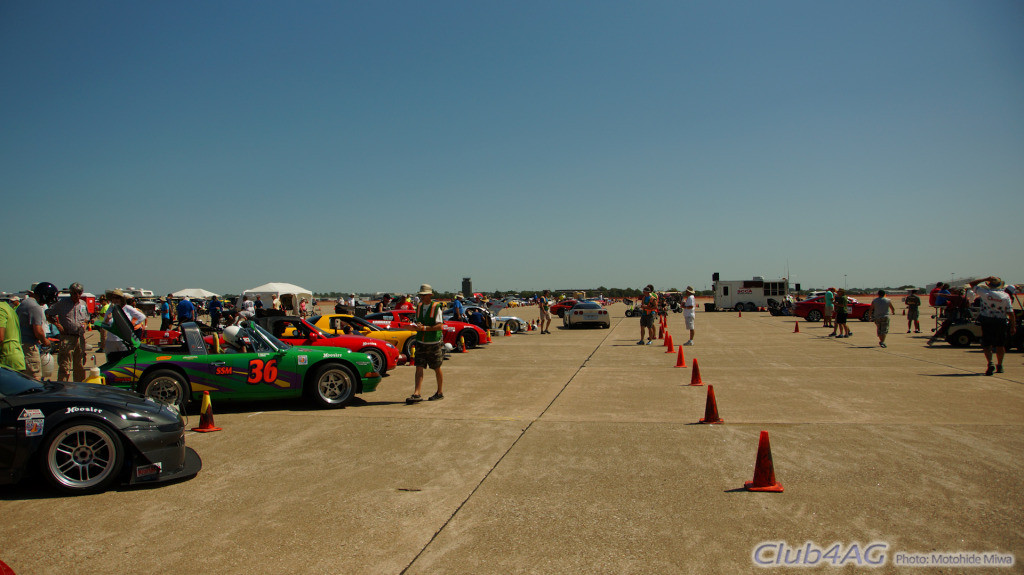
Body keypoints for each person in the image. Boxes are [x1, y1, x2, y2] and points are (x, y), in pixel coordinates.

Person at [968, 276, 1015, 375]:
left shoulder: (985, 293)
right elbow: (1010, 313)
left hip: (987, 320)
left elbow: (972, 284)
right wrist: (1013, 326)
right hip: (1001, 321)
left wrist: (984, 278)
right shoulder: (1006, 296)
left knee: (987, 344)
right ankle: (1000, 364)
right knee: (1000, 344)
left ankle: (990, 362)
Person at [407, 284, 445, 403]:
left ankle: (439, 392)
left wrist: (424, 328)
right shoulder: (419, 307)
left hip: (433, 342)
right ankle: (416, 393)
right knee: (419, 367)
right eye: (421, 295)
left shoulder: (436, 307)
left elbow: (440, 325)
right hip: (421, 341)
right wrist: (417, 326)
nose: (422, 297)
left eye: (424, 295)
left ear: (429, 295)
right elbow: (419, 321)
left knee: (436, 367)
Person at [46, 282, 90, 382]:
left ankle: (80, 387)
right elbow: (48, 313)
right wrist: (57, 325)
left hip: (80, 338)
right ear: (70, 293)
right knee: (64, 366)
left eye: (79, 293)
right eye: (74, 293)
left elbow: (86, 318)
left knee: (80, 365)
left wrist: (85, 325)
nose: (77, 295)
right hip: (67, 337)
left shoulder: (83, 304)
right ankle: (63, 387)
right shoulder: (62, 303)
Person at [17, 282, 58, 379]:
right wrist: (45, 341)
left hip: (21, 344)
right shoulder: (35, 307)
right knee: (34, 377)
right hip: (29, 347)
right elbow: (38, 331)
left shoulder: (26, 302)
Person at [0, 300, 26, 371]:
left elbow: (0, 337)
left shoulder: (1, 310)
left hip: (7, 359)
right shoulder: (7, 307)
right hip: (14, 356)